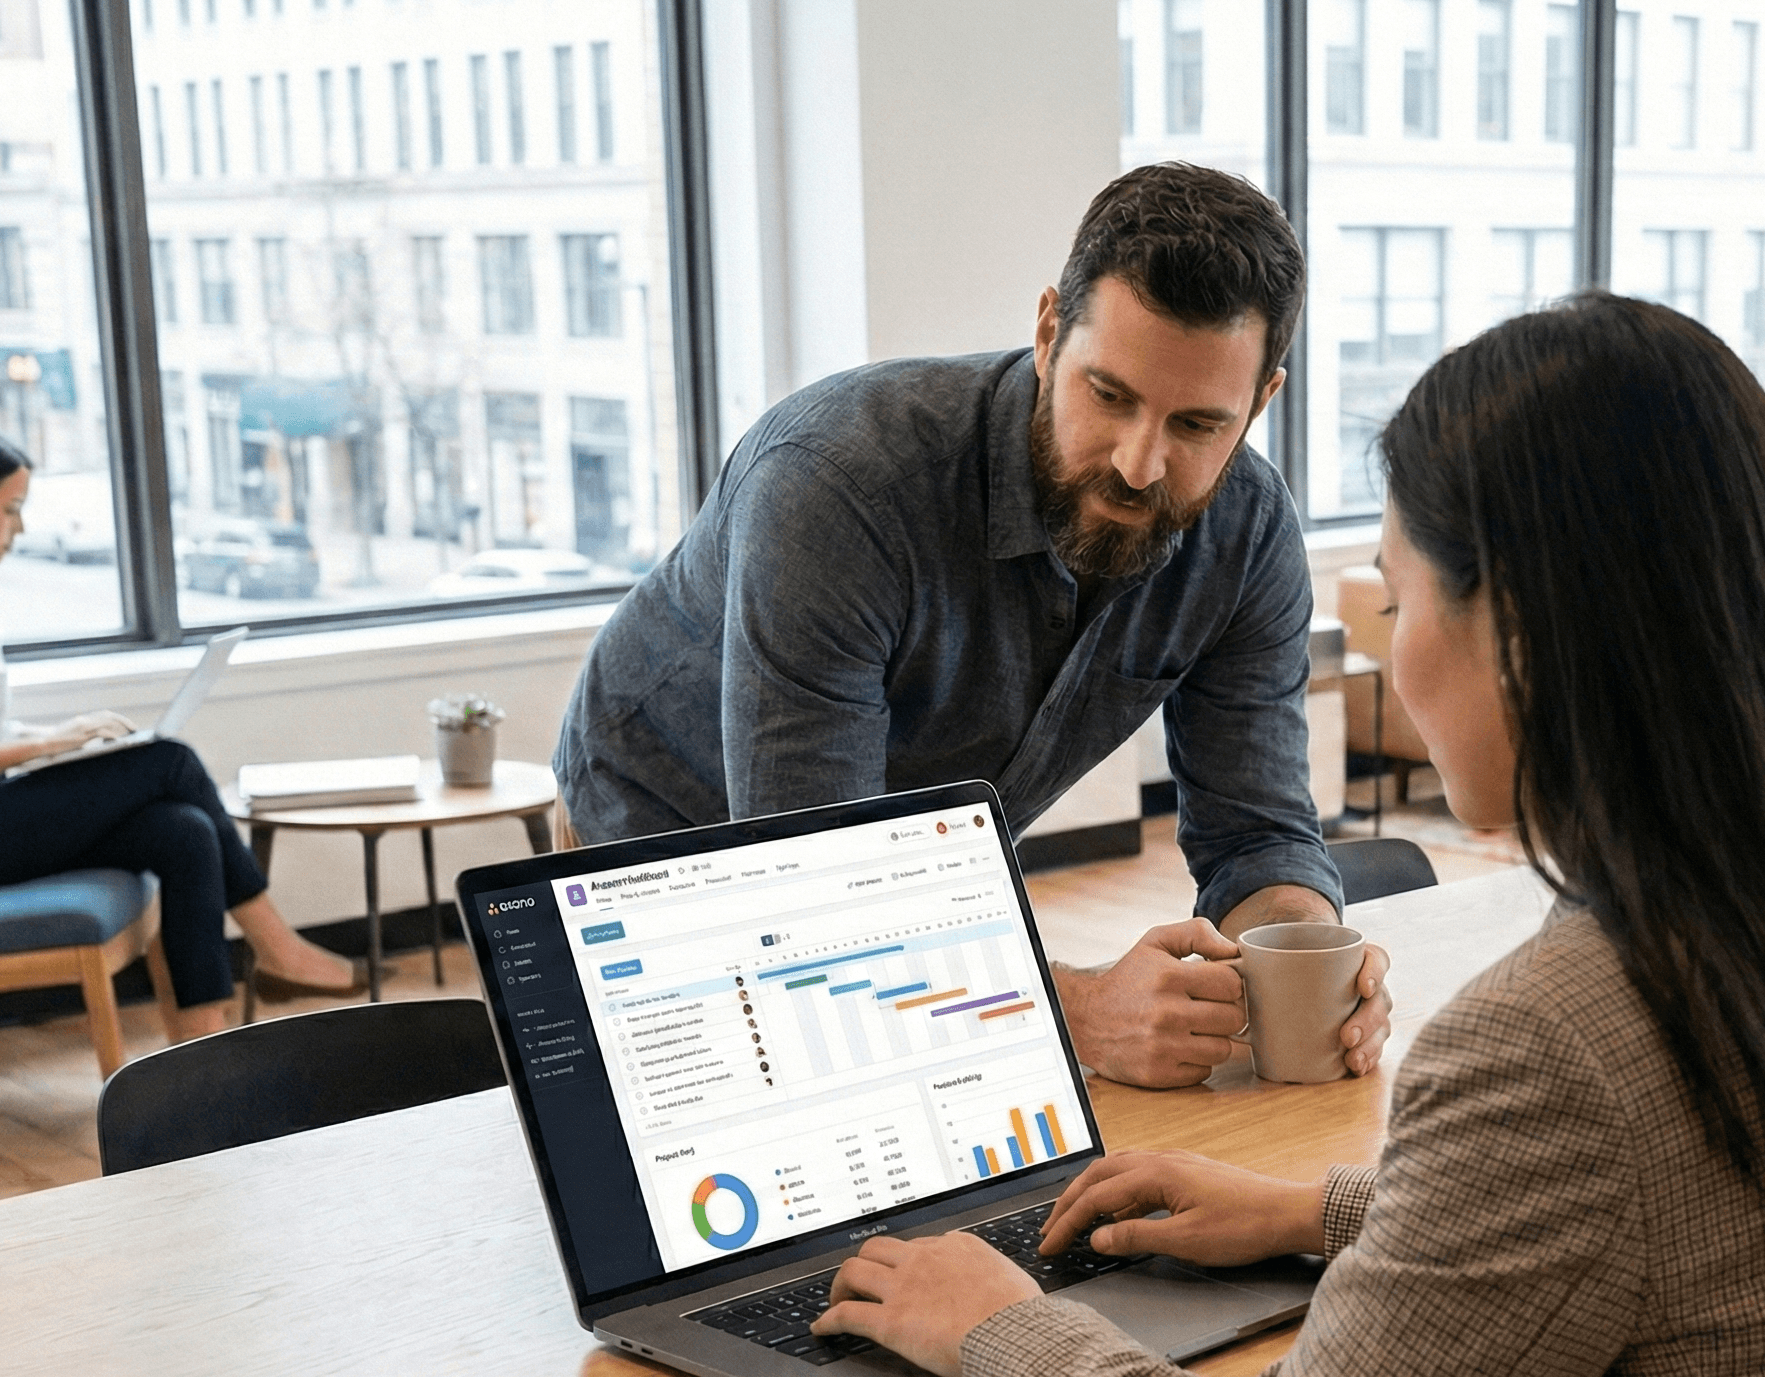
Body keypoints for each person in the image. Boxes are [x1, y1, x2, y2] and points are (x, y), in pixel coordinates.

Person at [798, 295, 1765, 1377]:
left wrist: (1002, 1327)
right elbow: (1684, 1216)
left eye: (1398, 602)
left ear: (1518, 634)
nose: (1397, 660)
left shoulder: (1556, 1041)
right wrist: (1318, 1210)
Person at [552, 164, 1387, 1091]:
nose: (1141, 465)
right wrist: (1072, 1013)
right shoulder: (836, 489)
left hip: (909, 883)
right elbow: (810, 897)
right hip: (667, 842)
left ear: (1260, 403)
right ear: (1046, 334)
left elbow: (1256, 837)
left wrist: (1310, 952)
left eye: (1196, 423)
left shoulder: (1249, 532)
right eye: (1108, 396)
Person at [0, 425, 362, 1044]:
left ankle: (203, 1053)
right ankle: (277, 945)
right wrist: (47, 745)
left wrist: (69, 737)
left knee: (184, 832)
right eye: (10, 509)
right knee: (170, 762)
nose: (21, 527)